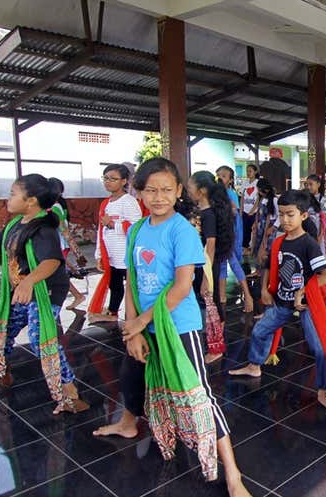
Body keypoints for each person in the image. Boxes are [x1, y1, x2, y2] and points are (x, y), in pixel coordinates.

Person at [91, 158, 251, 496]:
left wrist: (142, 322)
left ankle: (234, 474)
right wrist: (133, 329)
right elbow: (133, 282)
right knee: (131, 377)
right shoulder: (137, 230)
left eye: (166, 189)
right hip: (143, 324)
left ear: (179, 191)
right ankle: (127, 423)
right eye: (151, 190)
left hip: (178, 324)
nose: (159, 197)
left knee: (200, 396)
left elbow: (181, 287)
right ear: (140, 192)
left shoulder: (181, 230)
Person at [229, 189, 326, 414]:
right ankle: (254, 365)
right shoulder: (279, 241)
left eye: (290, 214)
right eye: (281, 214)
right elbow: (269, 267)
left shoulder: (308, 244)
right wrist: (264, 289)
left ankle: (322, 390)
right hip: (282, 301)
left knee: (319, 349)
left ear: (303, 215)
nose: (285, 220)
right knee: (260, 331)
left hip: (307, 304)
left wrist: (303, 290)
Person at [0, 174, 89, 414]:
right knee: (4, 328)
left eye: (12, 194)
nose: (7, 198)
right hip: (21, 290)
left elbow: (51, 261)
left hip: (46, 290)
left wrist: (28, 281)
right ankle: (0, 366)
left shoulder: (43, 227)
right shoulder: (13, 225)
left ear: (30, 201)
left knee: (41, 338)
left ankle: (70, 391)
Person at [187, 171, 235, 364]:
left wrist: (207, 277)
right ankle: (214, 339)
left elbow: (211, 245)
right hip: (202, 264)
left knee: (210, 303)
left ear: (202, 190)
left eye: (190, 188)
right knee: (209, 303)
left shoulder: (208, 214)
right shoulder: (203, 211)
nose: (188, 191)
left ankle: (216, 347)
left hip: (206, 265)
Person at [88, 164, 142, 322]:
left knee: (132, 287)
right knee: (114, 284)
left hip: (125, 253)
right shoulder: (106, 203)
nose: (108, 182)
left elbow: (136, 228)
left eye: (113, 179)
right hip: (110, 252)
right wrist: (99, 254)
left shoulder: (129, 201)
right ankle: (113, 312)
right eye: (105, 178)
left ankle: (133, 315)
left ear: (124, 181)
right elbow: (101, 230)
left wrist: (113, 225)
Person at [215, 165, 254, 312]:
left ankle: (248, 296)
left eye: (224, 176)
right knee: (222, 264)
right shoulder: (216, 194)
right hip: (221, 232)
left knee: (233, 261)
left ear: (230, 180)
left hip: (229, 232)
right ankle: (222, 296)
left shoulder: (230, 194)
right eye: (218, 174)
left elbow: (234, 214)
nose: (219, 177)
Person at [50, 178, 88, 311]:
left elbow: (65, 232)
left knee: (56, 274)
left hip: (57, 245)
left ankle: (77, 296)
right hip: (58, 245)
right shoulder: (59, 206)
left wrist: (78, 254)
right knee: (58, 273)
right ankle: (77, 295)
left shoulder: (54, 208)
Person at [241, 164, 259, 249]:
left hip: (254, 212)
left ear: (255, 172)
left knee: (254, 230)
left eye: (250, 171)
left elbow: (259, 198)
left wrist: (253, 210)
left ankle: (253, 248)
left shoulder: (258, 183)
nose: (248, 173)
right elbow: (242, 198)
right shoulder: (245, 183)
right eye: (247, 171)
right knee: (245, 230)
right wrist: (241, 210)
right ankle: (245, 247)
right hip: (245, 211)